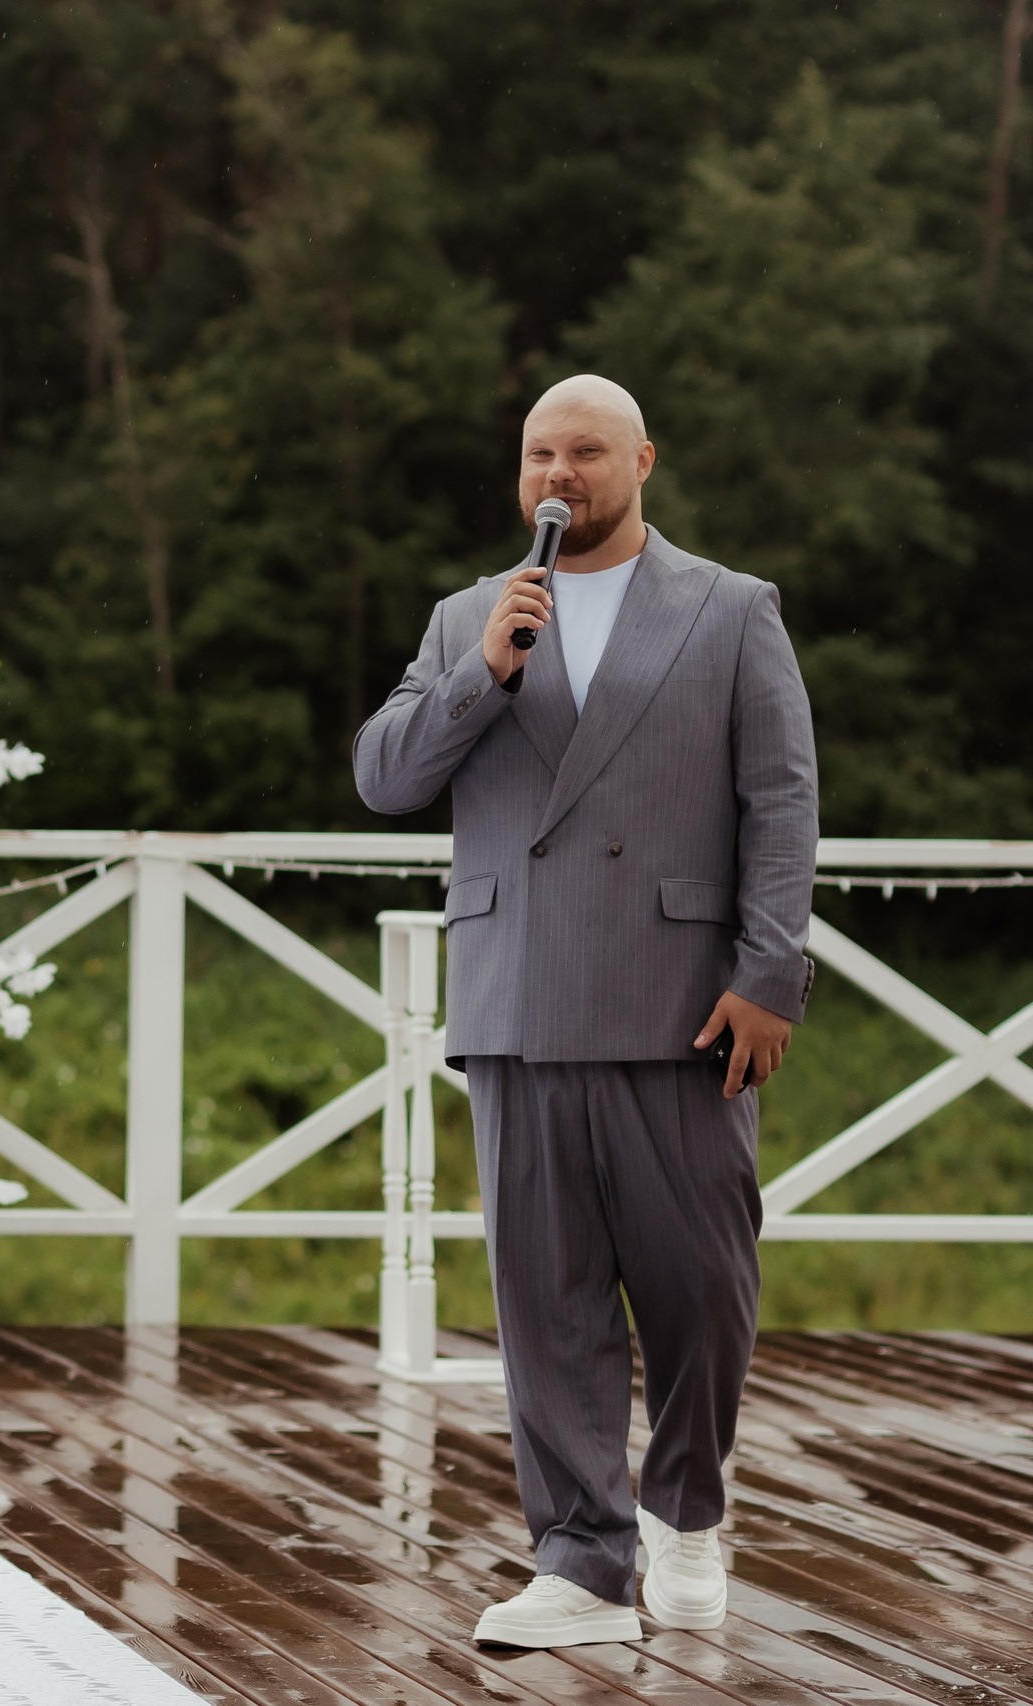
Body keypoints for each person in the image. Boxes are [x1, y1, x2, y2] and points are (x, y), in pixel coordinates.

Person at [353, 374, 818, 1648]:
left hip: (684, 1004)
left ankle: (686, 1508)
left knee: (701, 1286)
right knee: (543, 1299)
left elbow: (780, 805)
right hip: (519, 994)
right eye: (538, 453)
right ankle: (578, 1558)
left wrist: (768, 970)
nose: (559, 475)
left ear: (642, 461)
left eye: (586, 453)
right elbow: (385, 779)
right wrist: (481, 675)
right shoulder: (469, 618)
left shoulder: (730, 610)